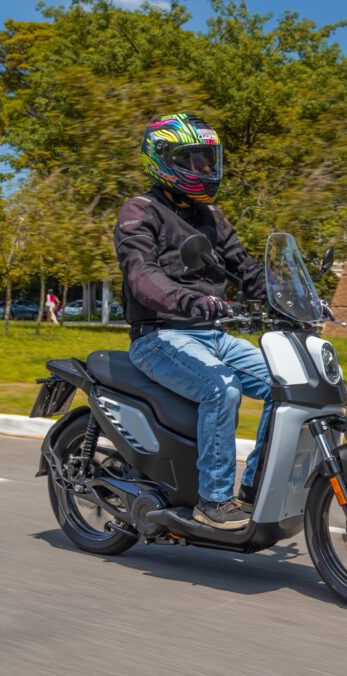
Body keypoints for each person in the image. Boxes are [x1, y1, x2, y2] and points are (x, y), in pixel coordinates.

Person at [114, 113, 270, 531]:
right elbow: (141, 273)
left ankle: (256, 486)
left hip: (213, 336)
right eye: (194, 160)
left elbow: (245, 268)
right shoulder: (140, 211)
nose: (204, 168)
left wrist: (294, 297)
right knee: (222, 388)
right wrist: (188, 300)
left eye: (208, 159)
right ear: (163, 159)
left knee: (286, 384)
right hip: (159, 336)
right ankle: (213, 501)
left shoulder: (211, 217)